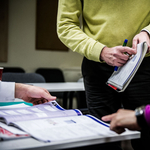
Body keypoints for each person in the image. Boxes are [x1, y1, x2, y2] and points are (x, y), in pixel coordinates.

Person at [57, 1, 150, 150]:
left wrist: (148, 32)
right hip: (97, 65)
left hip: (143, 62)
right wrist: (100, 51)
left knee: (146, 134)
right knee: (102, 136)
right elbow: (65, 26)